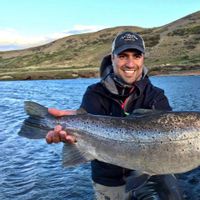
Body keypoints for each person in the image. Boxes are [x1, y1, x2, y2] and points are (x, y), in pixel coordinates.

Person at [46, 31, 183, 200]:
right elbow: (85, 132)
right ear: (112, 58)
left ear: (143, 59)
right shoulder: (94, 93)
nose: (130, 63)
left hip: (151, 175)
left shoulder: (156, 95)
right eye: (123, 56)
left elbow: (169, 136)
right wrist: (72, 129)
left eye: (136, 56)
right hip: (109, 180)